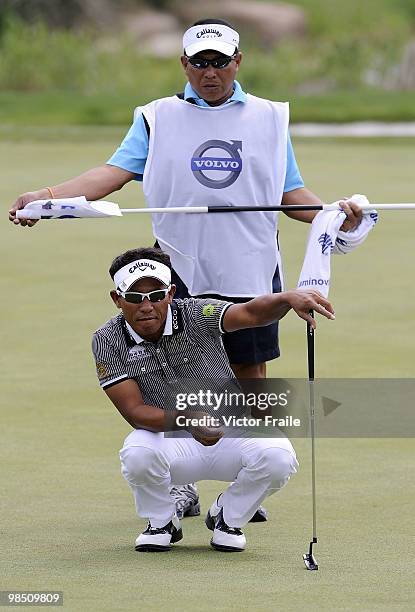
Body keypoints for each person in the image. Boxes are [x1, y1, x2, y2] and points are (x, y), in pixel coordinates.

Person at [9, 17, 362, 381]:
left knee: (250, 371)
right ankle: (190, 439)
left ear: (237, 61)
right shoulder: (156, 117)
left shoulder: (270, 118)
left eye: (220, 62)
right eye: (200, 62)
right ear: (184, 64)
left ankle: (253, 440)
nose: (210, 73)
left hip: (252, 265)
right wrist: (46, 198)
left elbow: (289, 193)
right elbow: (111, 175)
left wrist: (332, 214)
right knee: (183, 372)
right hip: (179, 266)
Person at [92, 246, 336, 552]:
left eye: (156, 296)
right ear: (117, 299)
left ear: (170, 293)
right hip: (171, 440)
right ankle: (162, 521)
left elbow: (249, 312)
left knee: (278, 455)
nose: (147, 306)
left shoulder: (196, 313)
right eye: (134, 297)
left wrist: (287, 298)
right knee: (137, 453)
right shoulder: (107, 339)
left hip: (231, 432)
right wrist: (187, 419)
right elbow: (135, 411)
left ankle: (227, 516)